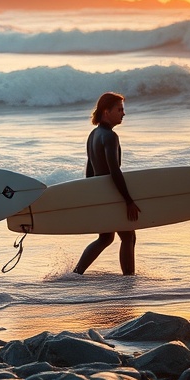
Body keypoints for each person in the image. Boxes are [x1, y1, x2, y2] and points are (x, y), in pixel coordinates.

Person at [73, 92, 141, 276]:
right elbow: (114, 171)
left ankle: (76, 274)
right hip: (111, 193)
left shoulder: (93, 135)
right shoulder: (110, 136)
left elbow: (89, 170)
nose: (123, 114)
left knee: (105, 238)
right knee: (128, 236)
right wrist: (128, 200)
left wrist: (93, 196)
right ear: (106, 111)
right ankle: (128, 279)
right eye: (119, 109)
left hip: (102, 193)